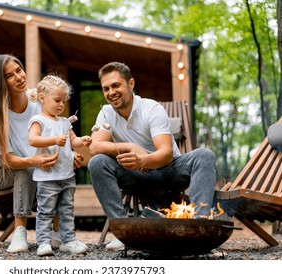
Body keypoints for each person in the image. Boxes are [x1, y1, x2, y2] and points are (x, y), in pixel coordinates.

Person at [88, 62, 217, 251]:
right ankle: (124, 233)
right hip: (135, 176)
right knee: (97, 162)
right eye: (105, 89)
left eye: (116, 85)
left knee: (204, 155)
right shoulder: (106, 113)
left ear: (131, 84)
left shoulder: (151, 109)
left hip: (169, 172)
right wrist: (130, 147)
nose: (111, 92)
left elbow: (165, 154)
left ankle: (199, 230)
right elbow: (95, 147)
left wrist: (143, 160)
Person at [0, 54, 84, 253]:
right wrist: (35, 160)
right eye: (9, 76)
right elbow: (9, 160)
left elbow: (55, 135)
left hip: (37, 169)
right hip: (2, 175)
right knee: (27, 169)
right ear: (0, 83)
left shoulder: (38, 103)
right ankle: (20, 232)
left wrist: (69, 156)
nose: (18, 77)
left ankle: (58, 234)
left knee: (52, 170)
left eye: (19, 70)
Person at [28, 74, 91, 256]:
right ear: (42, 98)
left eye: (64, 101)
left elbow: (73, 141)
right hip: (48, 177)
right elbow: (33, 140)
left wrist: (82, 140)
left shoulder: (64, 122)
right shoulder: (38, 120)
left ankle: (68, 241)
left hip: (67, 175)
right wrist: (54, 139)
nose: (62, 105)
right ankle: (43, 242)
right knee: (46, 211)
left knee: (67, 210)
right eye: (57, 100)